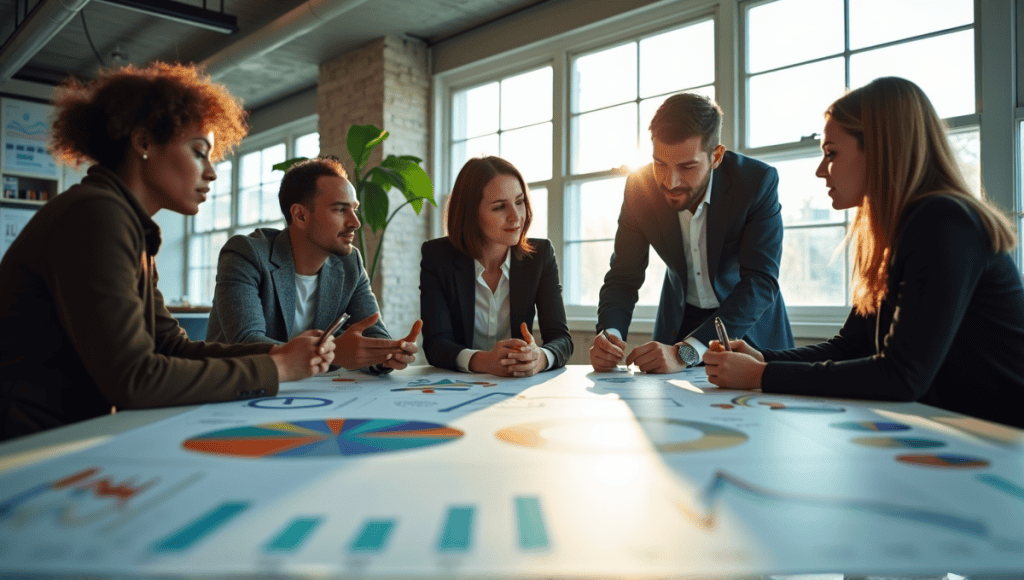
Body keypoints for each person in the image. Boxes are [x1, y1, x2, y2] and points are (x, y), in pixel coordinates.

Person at [0, 63, 334, 441]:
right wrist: (279, 370)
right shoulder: (96, 215)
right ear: (143, 143)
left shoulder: (122, 221)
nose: (211, 172)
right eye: (198, 152)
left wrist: (278, 356)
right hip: (23, 449)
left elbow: (170, 346)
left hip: (59, 436)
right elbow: (136, 379)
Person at [704, 77, 1024, 429]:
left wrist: (762, 375)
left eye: (831, 153)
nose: (821, 170)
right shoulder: (901, 232)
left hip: (1005, 440)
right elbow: (851, 346)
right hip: (956, 429)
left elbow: (901, 376)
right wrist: (763, 358)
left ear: (882, 149)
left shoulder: (943, 222)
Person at [590, 92, 793, 374]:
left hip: (747, 326)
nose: (670, 181)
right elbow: (624, 276)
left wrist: (686, 352)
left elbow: (760, 281)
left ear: (716, 156)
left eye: (687, 167)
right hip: (679, 322)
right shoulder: (640, 189)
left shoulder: (756, 182)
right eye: (660, 164)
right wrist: (609, 334)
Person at [206, 156, 420, 374]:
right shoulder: (246, 254)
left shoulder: (350, 263)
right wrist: (335, 353)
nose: (355, 222)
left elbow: (373, 333)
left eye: (354, 210)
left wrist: (388, 354)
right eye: (340, 210)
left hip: (313, 395)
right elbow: (246, 343)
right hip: (241, 389)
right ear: (300, 215)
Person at [420, 156, 573, 377]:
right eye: (500, 207)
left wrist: (539, 358)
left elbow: (561, 339)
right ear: (470, 214)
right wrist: (484, 361)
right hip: (459, 386)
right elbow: (436, 344)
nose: (516, 217)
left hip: (516, 386)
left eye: (519, 202)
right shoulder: (437, 256)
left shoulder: (541, 256)